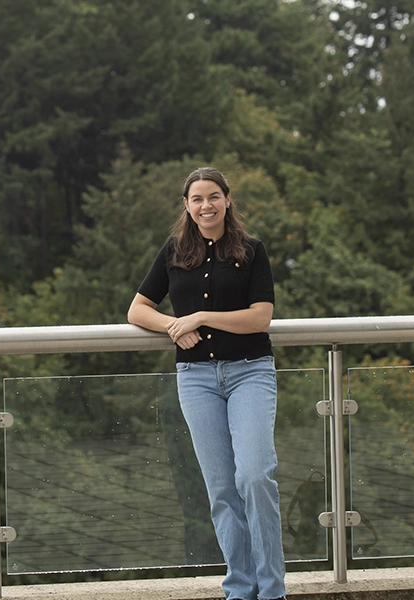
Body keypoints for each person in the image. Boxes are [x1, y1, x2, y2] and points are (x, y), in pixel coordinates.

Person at [127, 167, 286, 600]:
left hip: (250, 371)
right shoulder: (174, 250)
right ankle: (240, 588)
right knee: (220, 489)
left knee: (254, 476)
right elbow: (137, 310)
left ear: (227, 200)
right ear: (186, 205)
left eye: (213, 196)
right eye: (197, 199)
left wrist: (202, 317)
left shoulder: (252, 251)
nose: (206, 205)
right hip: (196, 379)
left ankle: (272, 591)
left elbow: (260, 317)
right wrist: (173, 326)